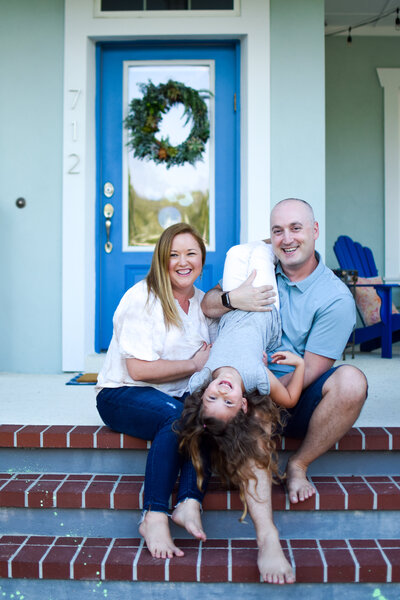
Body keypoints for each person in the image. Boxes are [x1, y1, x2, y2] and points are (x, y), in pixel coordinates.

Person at [200, 198, 368, 583]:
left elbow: (307, 375)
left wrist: (260, 382)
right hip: (247, 385)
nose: (286, 239)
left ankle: (298, 464)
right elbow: (208, 305)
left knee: (352, 381)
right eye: (278, 231)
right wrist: (231, 298)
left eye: (296, 228)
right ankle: (268, 539)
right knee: (254, 415)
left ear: (314, 231)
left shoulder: (335, 298)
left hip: (293, 389)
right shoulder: (259, 262)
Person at [96, 222, 217, 560]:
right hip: (123, 392)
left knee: (205, 414)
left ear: (201, 259)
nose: (183, 261)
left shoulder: (202, 302)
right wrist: (193, 365)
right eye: (173, 254)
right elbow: (138, 369)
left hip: (174, 395)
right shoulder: (142, 297)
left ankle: (190, 502)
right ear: (161, 259)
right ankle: (154, 514)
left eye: (191, 253)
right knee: (176, 418)